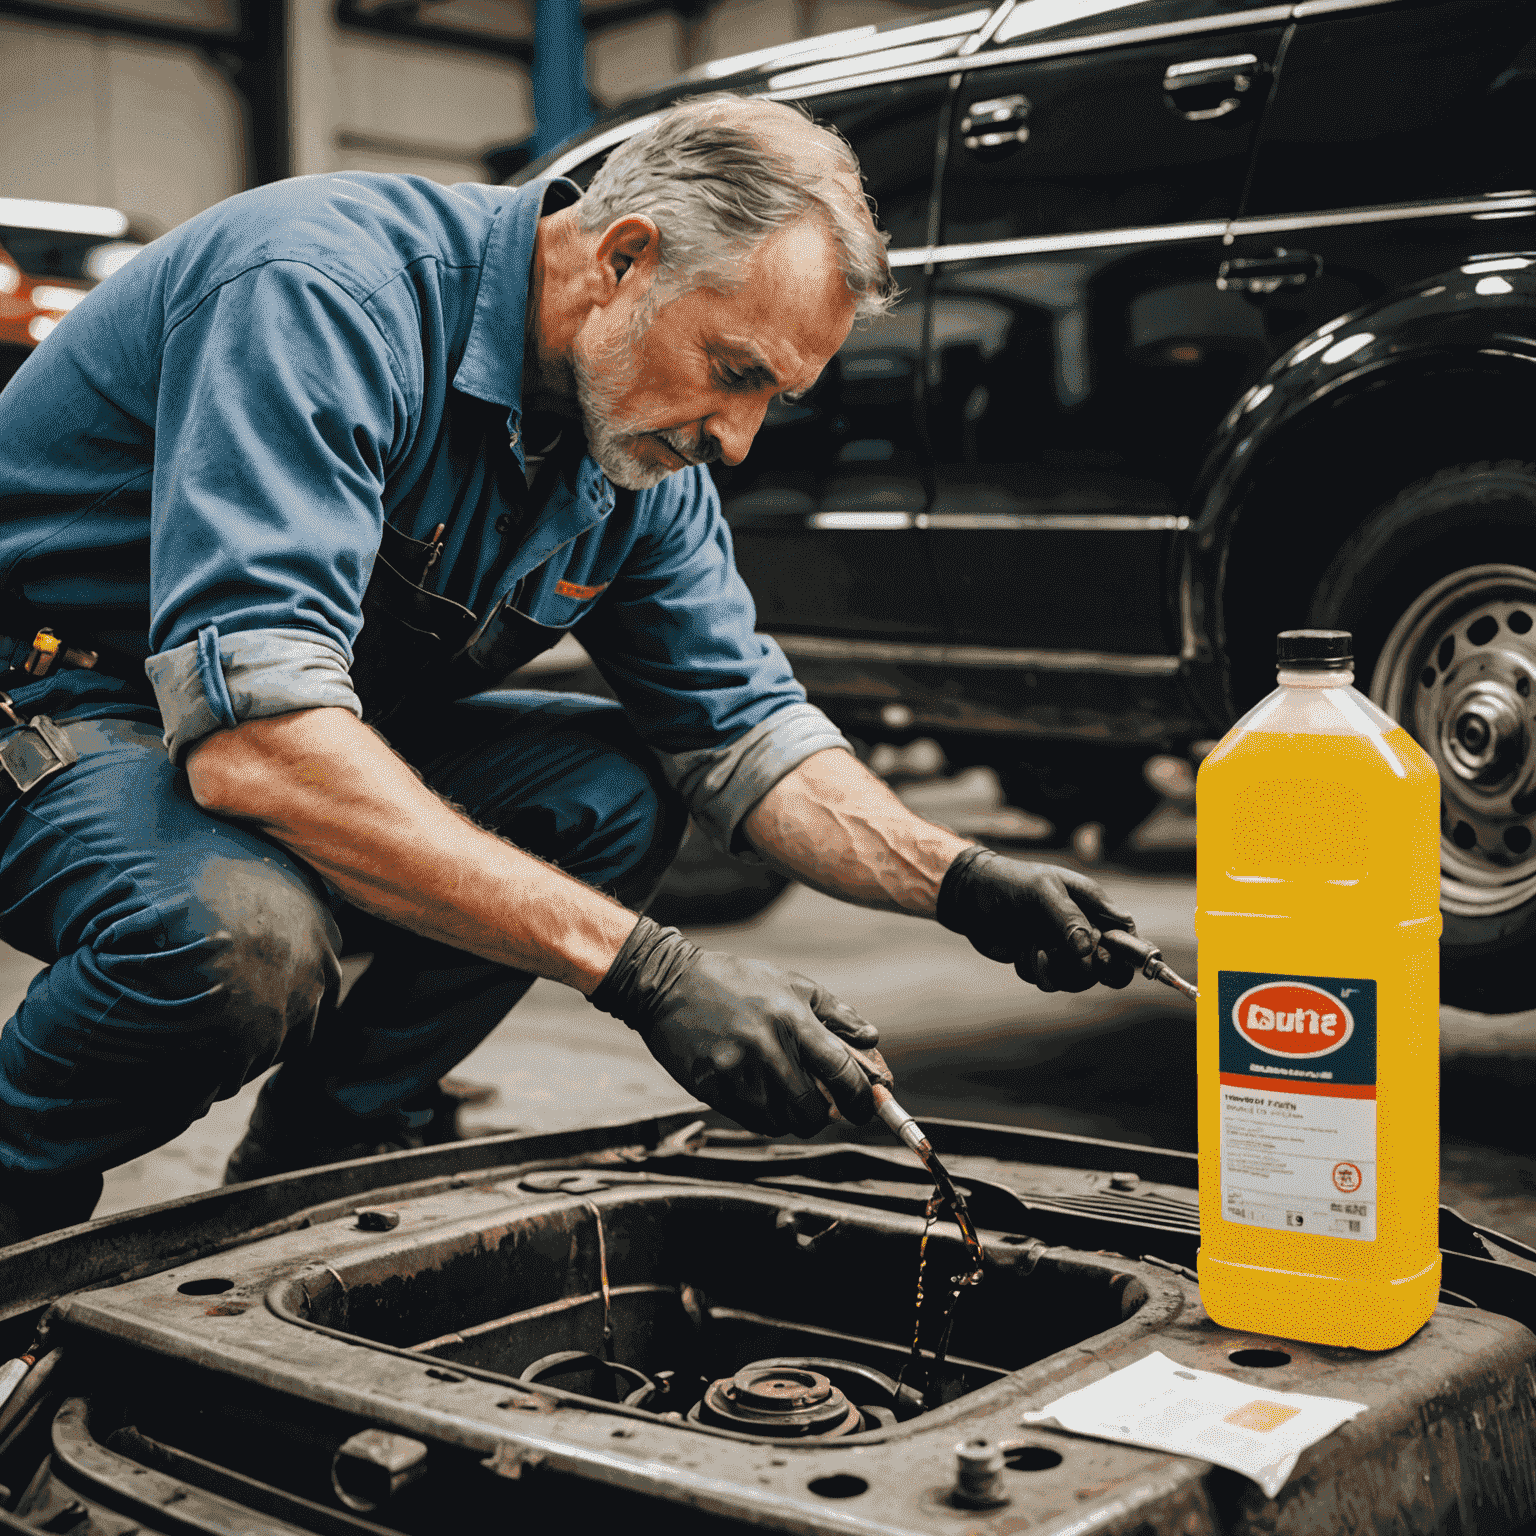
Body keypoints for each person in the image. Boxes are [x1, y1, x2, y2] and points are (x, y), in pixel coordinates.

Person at [0, 95, 1139, 1245]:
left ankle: (310, 1175)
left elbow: (744, 735)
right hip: (53, 698)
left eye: (770, 400)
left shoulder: (637, 446)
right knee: (238, 937)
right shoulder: (326, 292)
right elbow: (261, 742)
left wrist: (962, 876)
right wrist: (645, 971)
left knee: (611, 788)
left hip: (284, 728)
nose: (737, 440)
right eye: (731, 370)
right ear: (623, 257)